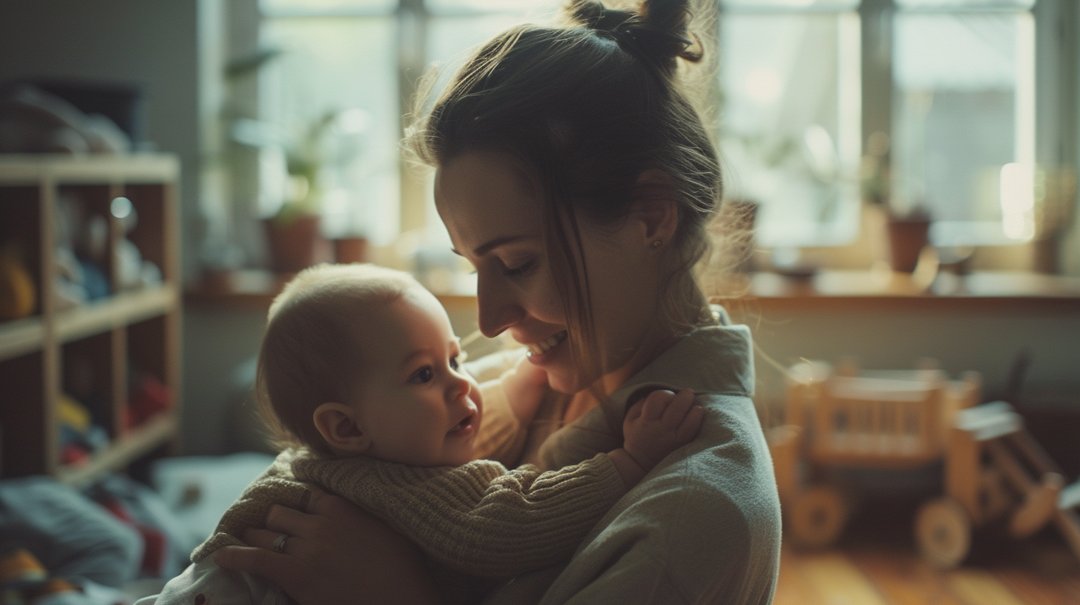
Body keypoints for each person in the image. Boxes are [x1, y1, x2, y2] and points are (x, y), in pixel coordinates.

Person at [215, 0, 783, 602]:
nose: (489, 320)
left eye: (518, 263)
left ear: (650, 216)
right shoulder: (535, 383)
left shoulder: (697, 514)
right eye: (475, 266)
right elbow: (329, 459)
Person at [139, 263, 703, 604]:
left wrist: (514, 392)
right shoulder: (401, 484)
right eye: (424, 374)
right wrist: (626, 463)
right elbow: (508, 521)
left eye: (455, 359)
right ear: (346, 426)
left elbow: (454, 435)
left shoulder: (348, 455)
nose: (462, 386)